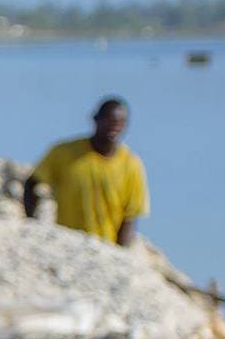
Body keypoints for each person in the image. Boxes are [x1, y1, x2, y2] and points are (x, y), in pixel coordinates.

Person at [24, 96, 150, 246]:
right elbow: (32, 183)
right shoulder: (64, 153)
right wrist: (32, 224)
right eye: (110, 121)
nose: (114, 127)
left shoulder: (131, 165)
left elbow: (130, 216)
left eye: (120, 123)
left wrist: (119, 254)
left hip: (104, 248)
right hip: (67, 243)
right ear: (96, 119)